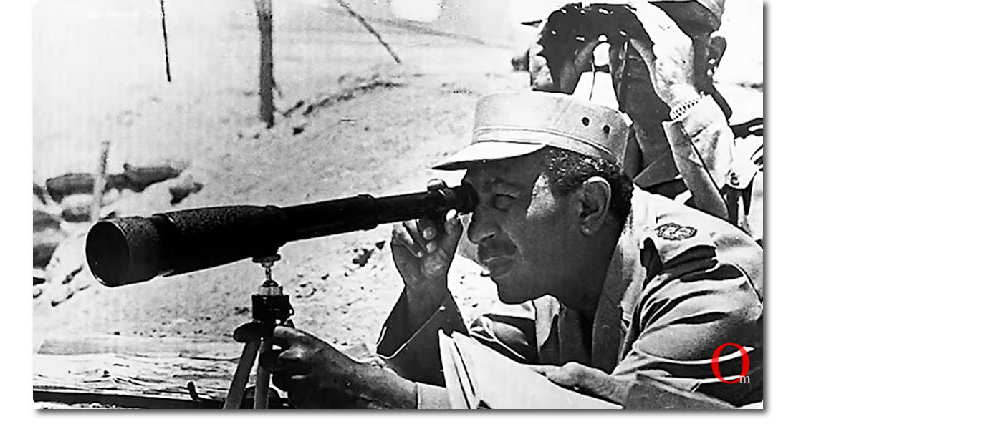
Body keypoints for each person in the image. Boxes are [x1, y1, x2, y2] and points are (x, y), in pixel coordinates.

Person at [266, 91, 763, 409]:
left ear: (589, 206)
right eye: (472, 204)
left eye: (503, 201)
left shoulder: (706, 282)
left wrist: (361, 384)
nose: (477, 233)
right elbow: (471, 384)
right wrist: (427, 292)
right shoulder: (554, 272)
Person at [527, 0, 758, 229]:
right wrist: (548, 102)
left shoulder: (753, 158)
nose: (631, 54)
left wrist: (682, 96)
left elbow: (744, 242)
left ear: (712, 54)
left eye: (654, 39)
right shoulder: (603, 155)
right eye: (618, 38)